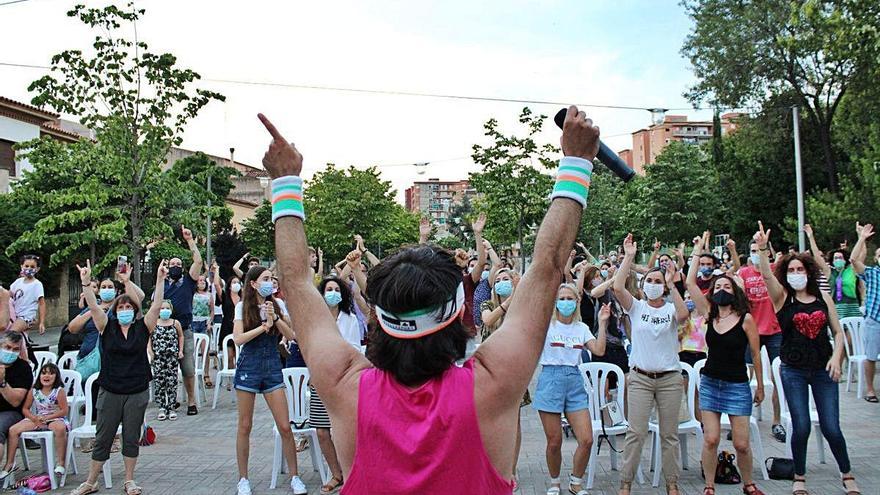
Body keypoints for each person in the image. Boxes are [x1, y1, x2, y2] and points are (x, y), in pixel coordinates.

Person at [257, 105, 598, 494]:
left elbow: (296, 282)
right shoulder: (492, 383)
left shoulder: (345, 387)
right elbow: (548, 267)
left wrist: (286, 182)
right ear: (457, 315)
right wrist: (576, 161)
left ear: (380, 321)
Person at [753, 222, 861, 495]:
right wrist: (764, 249)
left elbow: (837, 333)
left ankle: (846, 474)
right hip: (794, 370)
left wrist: (837, 359)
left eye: (800, 269)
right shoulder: (782, 299)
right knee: (800, 426)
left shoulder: (824, 297)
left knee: (831, 427)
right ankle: (799, 476)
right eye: (791, 270)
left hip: (824, 369)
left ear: (809, 272)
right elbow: (766, 276)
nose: (796, 273)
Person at [68, 259, 162, 495]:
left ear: (135, 311)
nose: (124, 312)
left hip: (136, 389)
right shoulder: (105, 326)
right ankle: (91, 481)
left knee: (131, 437)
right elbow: (92, 306)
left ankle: (129, 480)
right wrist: (86, 283)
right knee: (103, 437)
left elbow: (157, 305)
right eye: (120, 309)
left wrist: (160, 280)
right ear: (115, 312)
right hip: (110, 388)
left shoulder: (143, 327)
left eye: (128, 308)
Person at [687, 237, 765, 495]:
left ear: (735, 292)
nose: (722, 288)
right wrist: (697, 252)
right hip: (710, 382)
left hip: (737, 385)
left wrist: (760, 386)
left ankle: (748, 483)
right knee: (711, 439)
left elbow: (755, 353)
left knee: (742, 443)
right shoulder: (709, 313)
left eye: (726, 285)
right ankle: (709, 485)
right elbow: (689, 282)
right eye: (717, 285)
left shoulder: (746, 319)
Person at [613, 234, 688, 495]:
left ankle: (672, 483)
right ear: (643, 286)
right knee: (636, 433)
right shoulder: (636, 307)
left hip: (668, 379)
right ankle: (626, 483)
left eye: (658, 281)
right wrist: (629, 257)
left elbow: (683, 315)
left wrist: (673, 284)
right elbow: (618, 288)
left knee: (669, 435)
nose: (654, 284)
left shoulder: (669, 308)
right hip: (641, 378)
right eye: (650, 281)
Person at [232, 266, 304, 495]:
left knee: (285, 425)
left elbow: (291, 335)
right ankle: (243, 478)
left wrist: (274, 318)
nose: (269, 283)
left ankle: (295, 476)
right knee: (245, 425)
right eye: (265, 279)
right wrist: (263, 327)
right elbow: (238, 338)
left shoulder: (278, 304)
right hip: (249, 366)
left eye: (271, 279)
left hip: (272, 366)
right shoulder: (242, 307)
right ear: (253, 283)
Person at [535, 283, 608, 495]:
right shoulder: (546, 325)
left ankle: (576, 482)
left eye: (570, 298)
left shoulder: (581, 328)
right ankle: (555, 482)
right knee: (554, 441)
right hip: (550, 378)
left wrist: (602, 324)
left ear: (577, 302)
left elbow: (599, 350)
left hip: (574, 380)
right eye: (562, 298)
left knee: (586, 439)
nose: (565, 302)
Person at [309, 275, 362, 494]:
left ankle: (352, 473)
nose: (332, 293)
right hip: (320, 380)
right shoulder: (316, 320)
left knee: (348, 430)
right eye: (328, 289)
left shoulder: (349, 319)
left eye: (336, 289)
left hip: (345, 382)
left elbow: (354, 349)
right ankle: (336, 473)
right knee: (322, 431)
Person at [479, 267, 527, 488]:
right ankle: (490, 465)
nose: (502, 282)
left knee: (513, 422)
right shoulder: (487, 305)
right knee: (487, 421)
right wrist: (508, 302)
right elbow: (488, 321)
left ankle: (511, 469)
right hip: (488, 370)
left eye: (506, 279)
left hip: (513, 368)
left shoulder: (521, 307)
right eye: (498, 279)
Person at [737, 239, 786, 443]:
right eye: (753, 251)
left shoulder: (776, 271)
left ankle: (777, 421)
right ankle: (743, 421)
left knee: (778, 377)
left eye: (760, 250)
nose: (756, 254)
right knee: (745, 378)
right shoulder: (744, 273)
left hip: (775, 330)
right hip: (751, 330)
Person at [1, 363, 69, 481]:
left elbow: (64, 410)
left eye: (51, 373)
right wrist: (34, 418)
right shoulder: (34, 390)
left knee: (60, 428)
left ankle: (61, 463)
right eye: (44, 373)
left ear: (56, 376)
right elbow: (25, 409)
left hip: (55, 417)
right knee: (13, 430)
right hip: (38, 417)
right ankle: (10, 463)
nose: (47, 376)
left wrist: (48, 418)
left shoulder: (59, 391)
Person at [161, 226, 203, 416]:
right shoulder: (162, 284)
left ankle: (192, 401)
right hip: (164, 332)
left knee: (187, 367)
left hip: (184, 330)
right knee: (166, 368)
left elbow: (198, 261)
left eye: (178, 263)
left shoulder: (188, 281)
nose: (175, 266)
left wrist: (190, 240)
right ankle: (169, 400)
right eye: (172, 263)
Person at [850, 223, 879, 402]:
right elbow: (854, 260)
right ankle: (870, 389)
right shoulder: (872, 273)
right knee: (871, 356)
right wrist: (861, 239)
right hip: (874, 320)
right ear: (876, 259)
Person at [0, 332, 33, 476]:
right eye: (7, 347)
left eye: (15, 349)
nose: (10, 352)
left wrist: (2, 382)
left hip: (11, 412)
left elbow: (15, 401)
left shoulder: (23, 368)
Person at [149, 301, 184, 421]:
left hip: (172, 357)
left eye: (167, 308)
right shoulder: (154, 323)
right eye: (162, 308)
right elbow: (149, 337)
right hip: (158, 357)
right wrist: (150, 351)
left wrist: (180, 350)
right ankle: (162, 407)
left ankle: (172, 406)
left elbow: (180, 336)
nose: (164, 310)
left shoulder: (176, 323)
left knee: (172, 382)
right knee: (159, 381)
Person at [9, 255, 46, 337]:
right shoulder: (18, 282)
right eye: (26, 266)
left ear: (37, 269)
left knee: (11, 334)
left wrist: (41, 323)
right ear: (21, 266)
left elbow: (42, 304)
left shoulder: (37, 284)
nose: (29, 268)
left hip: (26, 317)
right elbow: (9, 294)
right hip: (14, 314)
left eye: (32, 266)